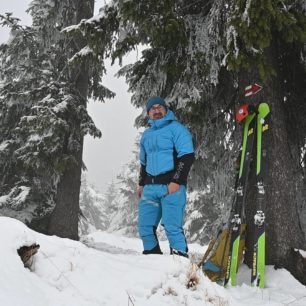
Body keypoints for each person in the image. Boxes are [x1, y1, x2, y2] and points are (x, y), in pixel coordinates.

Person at [137, 96, 195, 258]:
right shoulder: (147, 135)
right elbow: (144, 161)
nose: (156, 110)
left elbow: (187, 156)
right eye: (152, 108)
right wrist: (142, 184)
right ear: (148, 113)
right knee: (145, 227)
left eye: (159, 107)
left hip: (171, 186)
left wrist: (176, 181)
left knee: (172, 227)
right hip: (150, 188)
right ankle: (153, 261)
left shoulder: (177, 129)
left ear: (165, 109)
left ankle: (180, 266)